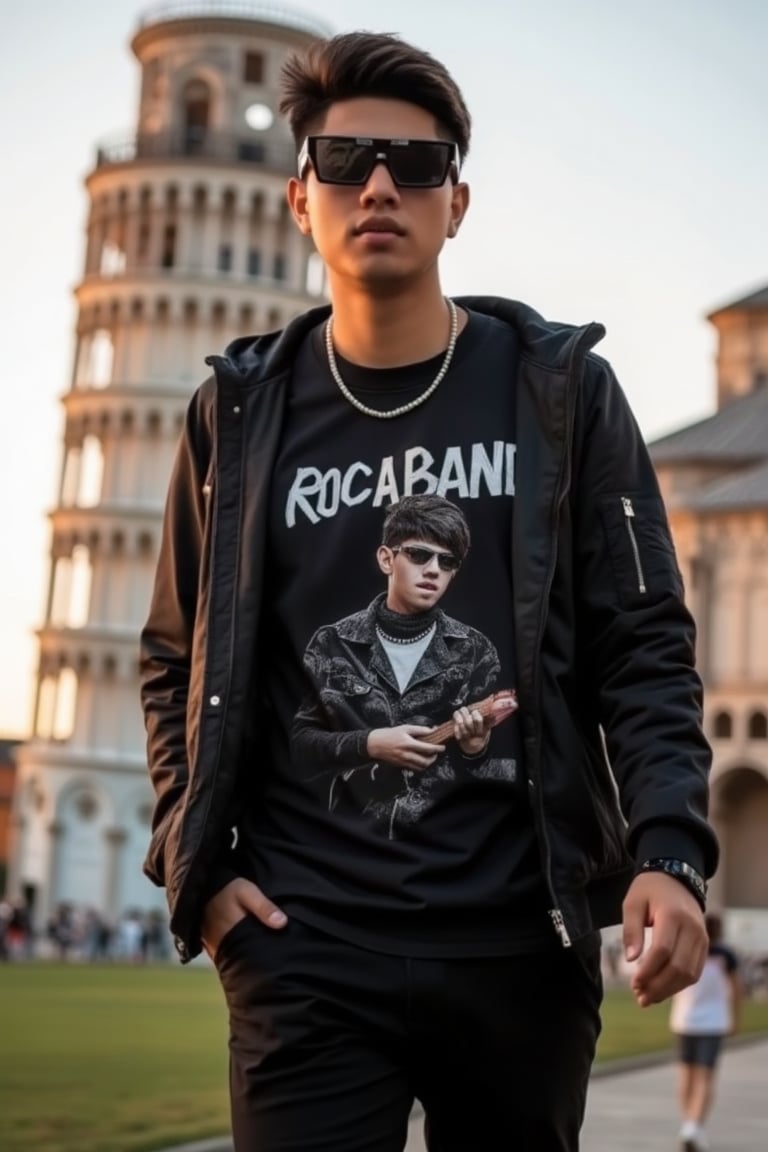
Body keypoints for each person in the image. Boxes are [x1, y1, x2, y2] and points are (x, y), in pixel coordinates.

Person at [139, 29, 719, 1152]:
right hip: (303, 949)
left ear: (459, 201)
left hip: (518, 944)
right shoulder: (238, 417)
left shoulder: (564, 396)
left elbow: (643, 640)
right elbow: (176, 659)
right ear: (301, 195)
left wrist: (670, 850)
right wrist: (192, 861)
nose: (380, 186)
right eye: (347, 159)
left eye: (416, 164)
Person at [291, 494, 517, 835]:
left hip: (445, 847)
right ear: (386, 558)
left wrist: (475, 750)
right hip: (345, 844)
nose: (433, 570)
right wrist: (369, 744)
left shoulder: (476, 651)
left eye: (447, 561)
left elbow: (506, 773)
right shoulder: (332, 643)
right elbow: (298, 748)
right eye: (418, 554)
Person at [670, 913, 743, 1152]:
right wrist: (735, 1017)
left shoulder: (686, 948)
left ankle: (688, 1124)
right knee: (704, 1077)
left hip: (685, 1019)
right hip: (712, 1022)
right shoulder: (725, 955)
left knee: (686, 1076)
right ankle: (693, 1126)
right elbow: (735, 989)